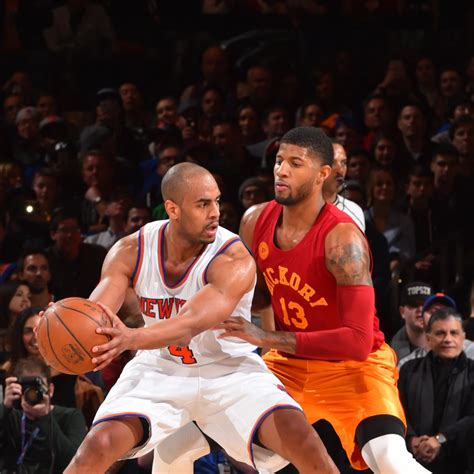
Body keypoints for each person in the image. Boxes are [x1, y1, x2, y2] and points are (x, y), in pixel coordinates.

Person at [64, 162, 337, 474]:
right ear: (173, 209)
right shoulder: (131, 250)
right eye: (203, 204)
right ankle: (183, 437)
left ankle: (188, 437)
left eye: (217, 201)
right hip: (160, 368)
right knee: (95, 448)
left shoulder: (232, 257)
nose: (215, 213)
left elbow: (187, 326)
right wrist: (69, 325)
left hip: (229, 371)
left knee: (305, 442)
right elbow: (96, 313)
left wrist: (129, 338)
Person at [220, 127, 429, 473]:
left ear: (322, 174)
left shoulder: (343, 239)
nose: (281, 171)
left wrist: (266, 337)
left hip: (354, 367)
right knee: (238, 445)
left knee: (389, 458)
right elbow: (258, 298)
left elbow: (357, 341)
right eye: (279, 161)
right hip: (290, 364)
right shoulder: (254, 220)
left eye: (295, 163)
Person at [398, 308, 474, 473]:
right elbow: (398, 410)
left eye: (454, 333)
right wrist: (411, 439)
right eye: (440, 333)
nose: (448, 339)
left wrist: (440, 439)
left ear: (463, 337)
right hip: (412, 462)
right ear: (428, 338)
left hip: (461, 465)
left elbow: (472, 418)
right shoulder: (408, 370)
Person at [0, 356, 87, 473]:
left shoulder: (71, 416)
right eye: (27, 387)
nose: (32, 393)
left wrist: (45, 417)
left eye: (37, 387)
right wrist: (5, 407)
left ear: (50, 390)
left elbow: (73, 462)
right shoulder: (12, 416)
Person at [323, 143, 365, 231]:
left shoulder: (354, 211)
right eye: (332, 162)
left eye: (344, 163)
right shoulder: (299, 209)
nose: (340, 170)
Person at [390, 282, 434, 362]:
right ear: (402, 312)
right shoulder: (392, 354)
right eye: (414, 304)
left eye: (426, 305)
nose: (420, 309)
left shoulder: (446, 341)